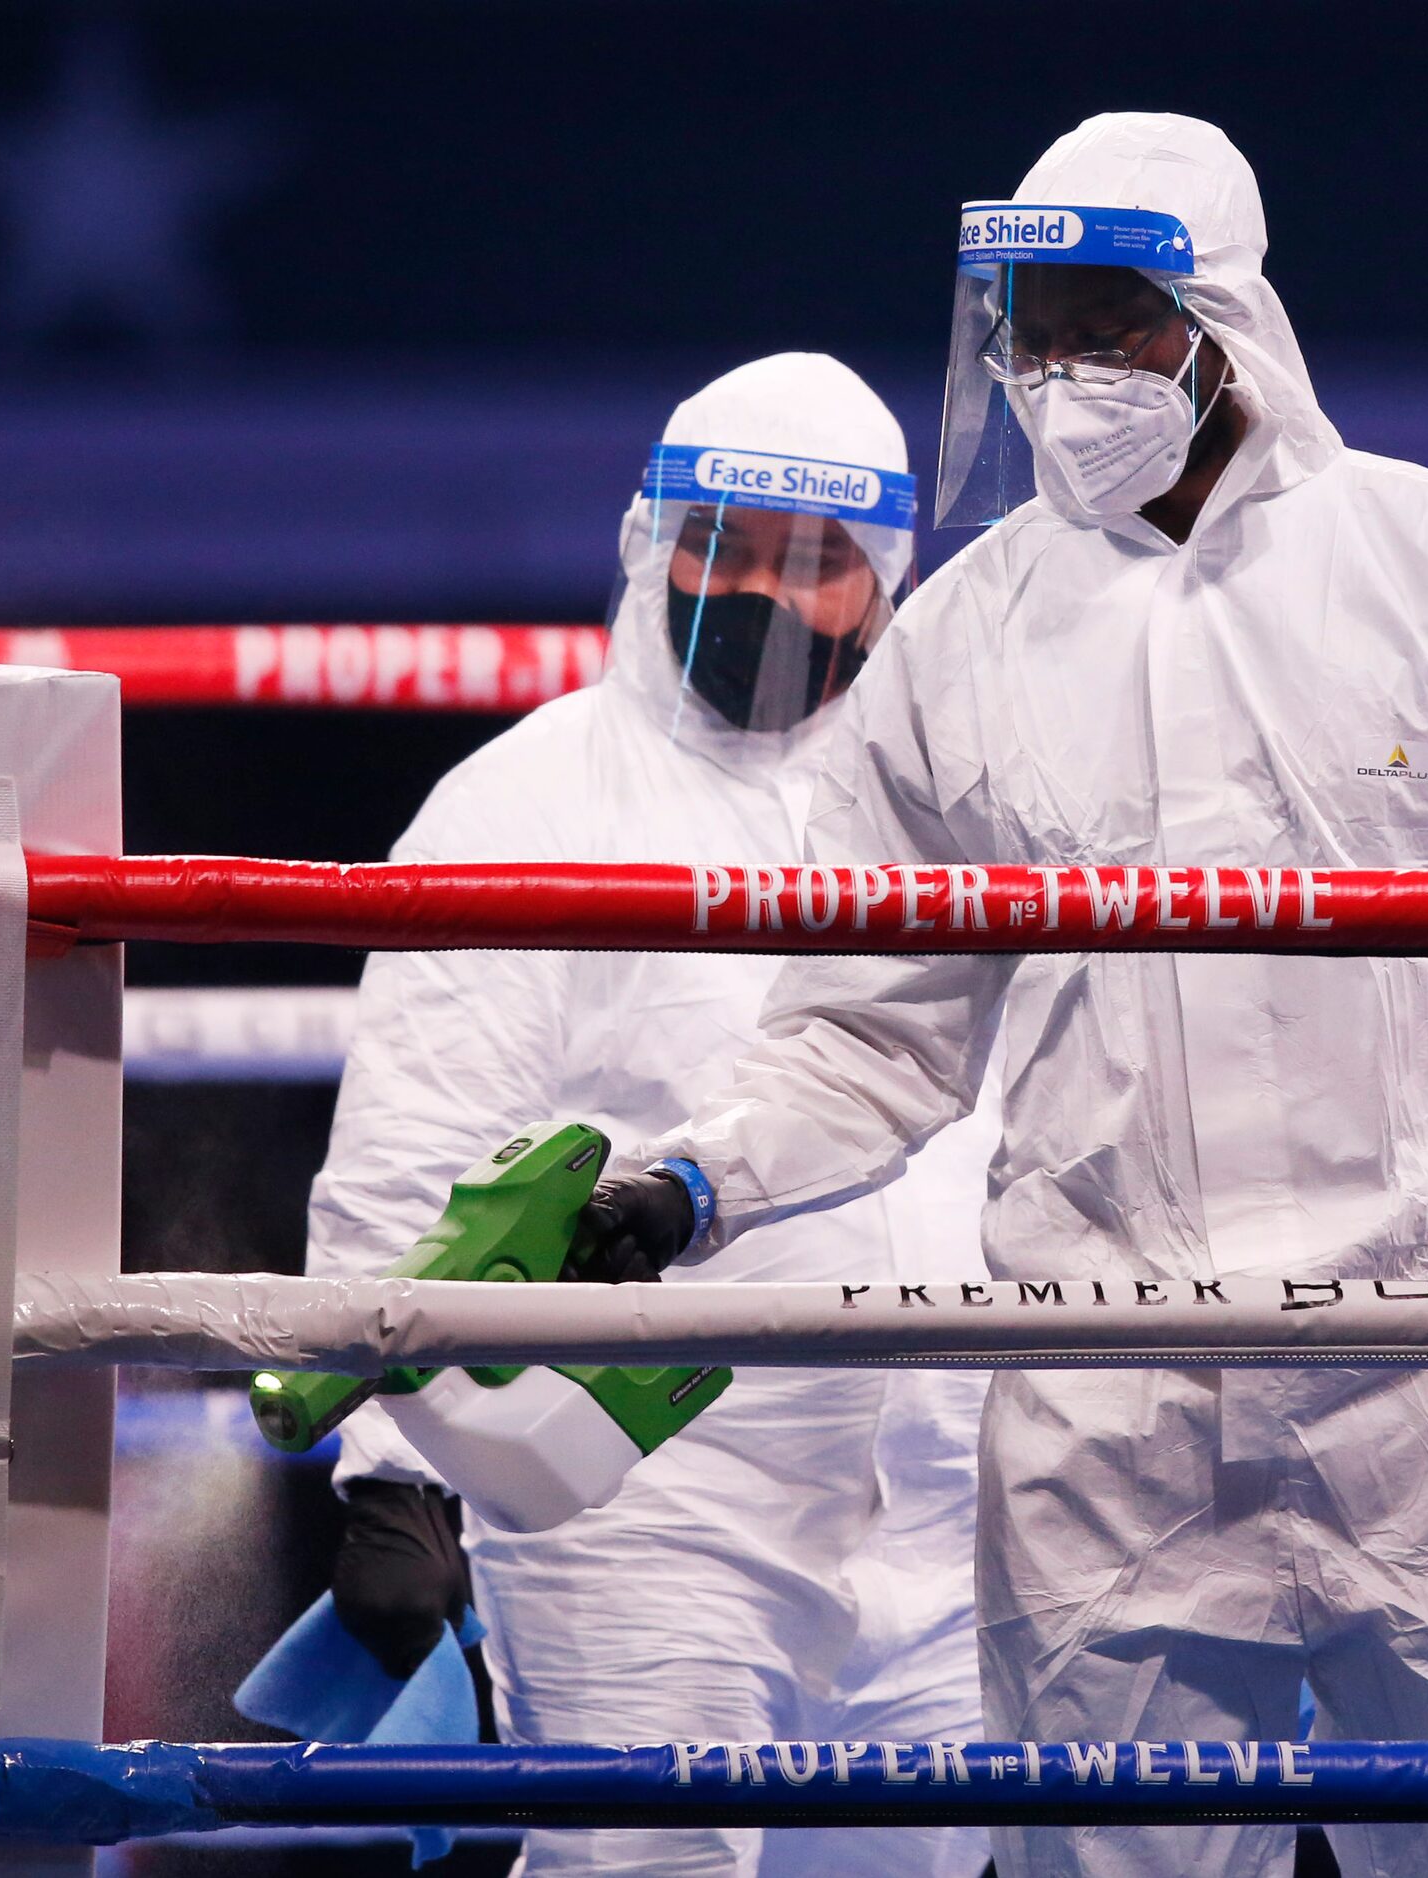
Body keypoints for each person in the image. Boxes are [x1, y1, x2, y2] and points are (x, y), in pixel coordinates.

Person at [598, 115, 1428, 1878]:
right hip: (1102, 1398)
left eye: (1109, 321)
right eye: (1033, 325)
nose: (1063, 369)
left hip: (1425, 1375)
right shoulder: (966, 634)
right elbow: (866, 1024)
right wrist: (690, 1184)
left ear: (1221, 321)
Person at [305, 351, 996, 1878]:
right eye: (725, 545)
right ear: (654, 546)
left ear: (884, 580)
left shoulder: (963, 806)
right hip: (639, 1487)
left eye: (812, 560)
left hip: (952, 1503)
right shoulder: (525, 805)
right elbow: (410, 1156)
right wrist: (394, 1463)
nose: (763, 590)